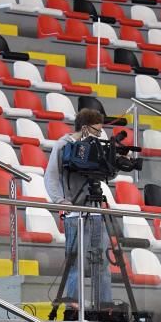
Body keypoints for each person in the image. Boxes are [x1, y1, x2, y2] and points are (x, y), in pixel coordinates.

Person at [43, 107, 112, 310]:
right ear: (84, 128)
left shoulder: (97, 145)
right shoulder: (64, 145)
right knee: (76, 263)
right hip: (75, 212)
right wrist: (60, 201)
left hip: (97, 211)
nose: (100, 135)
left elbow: (105, 174)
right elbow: (52, 176)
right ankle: (74, 305)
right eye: (96, 131)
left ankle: (103, 306)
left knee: (102, 263)